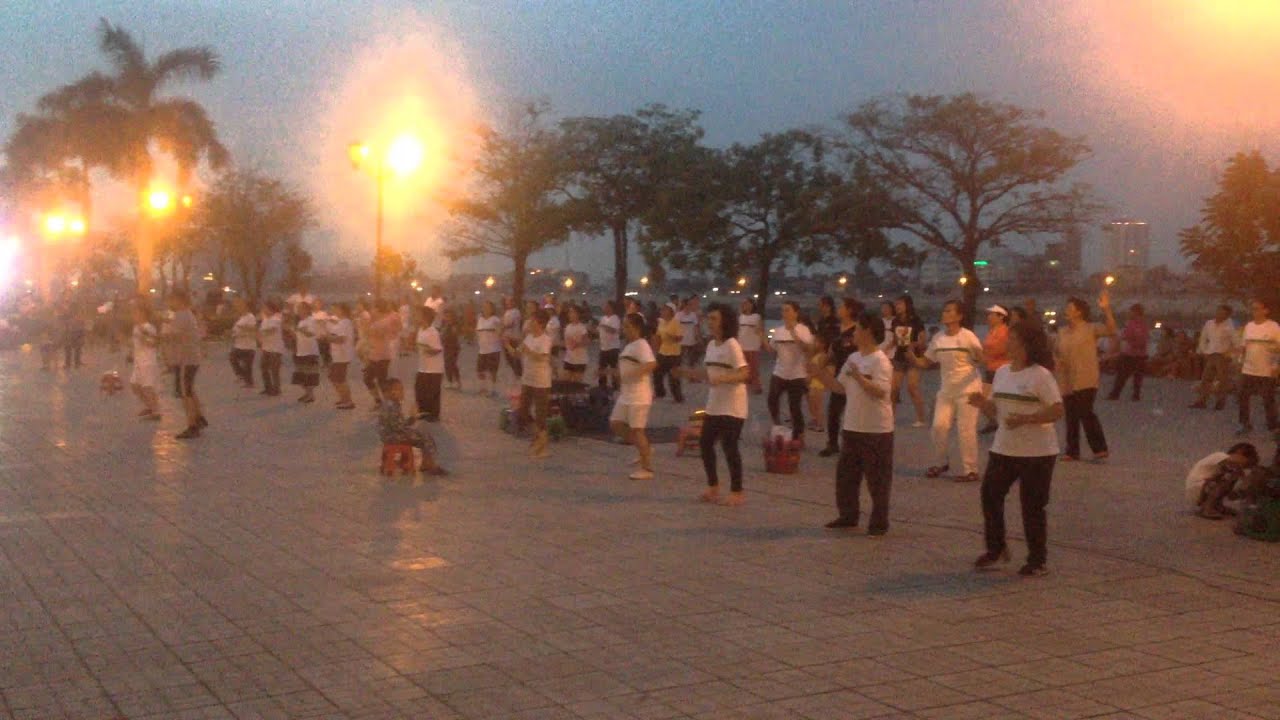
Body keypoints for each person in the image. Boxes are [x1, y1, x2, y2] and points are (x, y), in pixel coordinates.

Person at [968, 321, 1064, 577]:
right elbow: (997, 413)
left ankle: (1037, 559)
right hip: (1004, 448)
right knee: (990, 495)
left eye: (1011, 339)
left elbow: (1057, 410)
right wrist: (981, 404)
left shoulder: (1040, 375)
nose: (1006, 343)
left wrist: (1026, 419)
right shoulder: (1002, 373)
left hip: (1038, 453)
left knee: (1032, 506)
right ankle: (996, 549)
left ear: (1025, 345)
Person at [811, 311, 894, 535]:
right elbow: (840, 388)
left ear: (867, 331)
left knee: (877, 480)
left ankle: (878, 524)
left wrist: (859, 378)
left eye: (857, 329)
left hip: (876, 430)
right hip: (852, 427)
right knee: (846, 476)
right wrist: (818, 373)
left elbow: (881, 392)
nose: (853, 333)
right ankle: (848, 516)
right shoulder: (853, 358)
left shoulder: (881, 361)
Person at [677, 303, 750, 506]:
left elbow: (744, 373)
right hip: (714, 403)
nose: (710, 323)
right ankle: (713, 486)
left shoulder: (732, 345)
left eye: (714, 319)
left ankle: (737, 491)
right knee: (705, 444)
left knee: (729, 447)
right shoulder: (711, 345)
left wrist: (724, 379)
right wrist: (687, 373)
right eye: (708, 319)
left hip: (733, 405)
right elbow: (710, 374)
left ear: (725, 321)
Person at [906, 300, 985, 482]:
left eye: (949, 311)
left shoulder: (968, 336)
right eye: (944, 310)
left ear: (959, 316)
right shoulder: (939, 338)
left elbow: (981, 359)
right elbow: (926, 363)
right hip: (947, 390)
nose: (944, 313)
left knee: (966, 429)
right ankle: (941, 462)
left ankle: (970, 469)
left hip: (969, 389)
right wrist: (911, 357)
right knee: (939, 426)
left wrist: (980, 355)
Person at [1054, 291, 1117, 461]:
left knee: (1086, 412)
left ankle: (1099, 448)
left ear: (1079, 312)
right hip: (1067, 379)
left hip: (1086, 377)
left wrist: (1106, 309)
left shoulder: (1090, 328)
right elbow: (1057, 351)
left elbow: (1111, 330)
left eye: (1070, 308)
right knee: (1071, 416)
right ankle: (1072, 450)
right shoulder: (1062, 331)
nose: (1066, 310)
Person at [611, 313, 658, 480]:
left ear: (636, 328)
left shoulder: (641, 344)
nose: (624, 329)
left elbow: (651, 364)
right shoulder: (629, 346)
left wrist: (633, 374)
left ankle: (647, 468)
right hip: (626, 393)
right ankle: (643, 448)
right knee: (616, 423)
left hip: (639, 394)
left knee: (637, 429)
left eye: (627, 326)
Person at [764, 301, 814, 441]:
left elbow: (807, 349)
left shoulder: (803, 329)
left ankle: (798, 435)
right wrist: (761, 336)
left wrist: (793, 333)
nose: (784, 313)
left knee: (795, 406)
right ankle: (777, 425)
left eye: (787, 310)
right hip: (779, 372)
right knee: (772, 399)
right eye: (783, 310)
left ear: (796, 313)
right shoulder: (778, 331)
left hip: (797, 374)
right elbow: (771, 349)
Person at [378, 378, 447, 476]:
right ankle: (430, 465)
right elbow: (399, 427)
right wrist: (412, 417)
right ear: (389, 393)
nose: (402, 392)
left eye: (402, 389)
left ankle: (427, 463)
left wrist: (412, 419)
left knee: (421, 434)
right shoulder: (391, 406)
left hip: (389, 435)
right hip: (393, 436)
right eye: (399, 390)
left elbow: (398, 425)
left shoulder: (389, 404)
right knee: (425, 437)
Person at [161, 290, 206, 439]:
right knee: (189, 389)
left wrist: (161, 336)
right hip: (192, 357)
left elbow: (175, 335)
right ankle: (199, 416)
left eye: (171, 300)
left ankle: (192, 425)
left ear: (179, 300)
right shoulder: (187, 314)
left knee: (185, 392)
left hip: (186, 359)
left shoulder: (181, 315)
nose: (169, 303)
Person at [820, 298, 860, 457]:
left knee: (853, 412)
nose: (838, 309)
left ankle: (853, 445)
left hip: (855, 376)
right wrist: (819, 367)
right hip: (839, 375)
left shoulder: (857, 330)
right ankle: (832, 443)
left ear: (850, 310)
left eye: (842, 307)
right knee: (834, 411)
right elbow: (831, 351)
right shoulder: (836, 329)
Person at [513, 308, 553, 459]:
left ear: (540, 323)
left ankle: (542, 445)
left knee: (540, 414)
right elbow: (517, 353)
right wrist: (507, 344)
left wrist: (527, 350)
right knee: (523, 411)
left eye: (533, 320)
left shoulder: (545, 339)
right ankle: (539, 438)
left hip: (541, 381)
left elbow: (541, 357)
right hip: (527, 379)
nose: (529, 322)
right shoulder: (529, 337)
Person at [1237, 298, 1280, 434]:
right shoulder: (1249, 326)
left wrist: (1276, 366)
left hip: (1266, 370)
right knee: (1242, 396)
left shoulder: (1273, 327)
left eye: (1257, 308)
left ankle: (1272, 426)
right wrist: (1240, 362)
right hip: (1248, 369)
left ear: (1265, 310)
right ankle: (1245, 424)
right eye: (1253, 309)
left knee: (1268, 398)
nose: (1254, 311)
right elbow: (1243, 346)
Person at [1185, 443, 1260, 519]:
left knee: (1231, 478)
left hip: (1201, 488)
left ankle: (1217, 505)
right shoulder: (1220, 456)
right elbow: (1237, 462)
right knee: (1225, 480)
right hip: (1196, 488)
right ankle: (1208, 508)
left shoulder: (1227, 465)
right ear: (1239, 454)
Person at [889, 295, 928, 427]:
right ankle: (890, 417)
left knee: (912, 387)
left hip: (913, 357)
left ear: (907, 305)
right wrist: (884, 350)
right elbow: (895, 341)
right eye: (896, 304)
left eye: (900, 304)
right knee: (893, 389)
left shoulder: (916, 320)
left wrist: (913, 345)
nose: (897, 306)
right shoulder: (895, 321)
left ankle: (921, 418)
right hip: (899, 357)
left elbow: (923, 341)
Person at [1108, 303, 1150, 401]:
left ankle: (1115, 394)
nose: (1129, 313)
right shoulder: (1144, 324)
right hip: (1141, 354)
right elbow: (1144, 338)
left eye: (1131, 312)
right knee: (1138, 377)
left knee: (1122, 375)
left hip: (1130, 353)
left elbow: (1126, 336)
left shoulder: (1131, 324)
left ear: (1135, 312)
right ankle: (1136, 395)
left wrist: (1123, 338)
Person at [979, 305, 1011, 435]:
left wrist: (984, 353)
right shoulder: (992, 331)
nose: (989, 317)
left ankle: (1000, 423)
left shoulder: (1005, 331)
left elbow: (1001, 349)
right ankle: (994, 421)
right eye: (989, 314)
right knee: (985, 398)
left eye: (992, 314)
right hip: (990, 369)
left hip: (1001, 370)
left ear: (1001, 317)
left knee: (995, 398)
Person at [129, 302, 162, 421]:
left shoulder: (148, 327)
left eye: (136, 313)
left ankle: (156, 411)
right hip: (139, 361)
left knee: (148, 387)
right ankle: (150, 406)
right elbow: (135, 343)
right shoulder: (137, 327)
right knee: (135, 385)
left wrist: (143, 338)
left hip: (148, 361)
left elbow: (154, 343)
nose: (134, 315)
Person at [414, 306, 444, 422]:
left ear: (425, 317)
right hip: (423, 366)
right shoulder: (421, 330)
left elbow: (437, 350)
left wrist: (425, 348)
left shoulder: (433, 332)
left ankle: (433, 414)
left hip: (434, 368)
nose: (416, 317)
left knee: (432, 392)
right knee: (420, 389)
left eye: (418, 314)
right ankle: (423, 411)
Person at [325, 303, 356, 410]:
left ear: (342, 310)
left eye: (336, 308)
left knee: (339, 379)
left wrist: (328, 338)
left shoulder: (344, 323)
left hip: (342, 355)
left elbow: (341, 339)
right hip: (338, 355)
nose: (333, 310)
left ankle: (348, 401)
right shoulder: (342, 322)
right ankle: (343, 398)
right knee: (334, 377)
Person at [654, 303, 684, 404]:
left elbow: (680, 338)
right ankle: (660, 393)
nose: (662, 312)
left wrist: (671, 336)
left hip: (674, 354)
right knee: (657, 373)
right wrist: (656, 349)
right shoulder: (661, 322)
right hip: (663, 352)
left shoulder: (675, 322)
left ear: (671, 312)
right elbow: (658, 336)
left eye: (665, 310)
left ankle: (678, 397)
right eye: (662, 310)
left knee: (673, 377)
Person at [292, 303, 321, 404]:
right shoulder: (301, 322)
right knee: (301, 376)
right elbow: (298, 336)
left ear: (307, 310)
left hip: (310, 351)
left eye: (300, 309)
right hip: (301, 351)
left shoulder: (311, 320)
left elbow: (310, 334)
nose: (298, 311)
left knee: (309, 375)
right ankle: (307, 393)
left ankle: (310, 395)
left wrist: (300, 330)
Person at [475, 300, 502, 396]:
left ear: (492, 309)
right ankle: (483, 387)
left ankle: (492, 389)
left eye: (488, 307)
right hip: (482, 349)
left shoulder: (495, 319)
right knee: (480, 370)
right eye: (484, 307)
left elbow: (500, 331)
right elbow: (477, 331)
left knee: (492, 371)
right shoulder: (480, 319)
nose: (485, 309)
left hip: (493, 349)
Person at [229, 297, 257, 389]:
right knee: (233, 358)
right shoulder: (241, 317)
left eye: (241, 306)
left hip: (248, 345)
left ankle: (249, 381)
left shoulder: (250, 317)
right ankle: (242, 376)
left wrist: (242, 329)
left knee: (247, 365)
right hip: (239, 344)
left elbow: (252, 329)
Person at [805, 332, 830, 434]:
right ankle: (815, 420)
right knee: (812, 404)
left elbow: (820, 370)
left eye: (816, 342)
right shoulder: (816, 355)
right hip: (813, 383)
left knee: (817, 405)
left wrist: (811, 376)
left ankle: (820, 424)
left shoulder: (823, 356)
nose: (814, 344)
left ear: (823, 344)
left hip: (818, 384)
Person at [258, 300, 284, 396]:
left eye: (265, 308)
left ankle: (276, 389)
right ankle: (268, 387)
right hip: (266, 348)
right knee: (264, 368)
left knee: (274, 370)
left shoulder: (276, 319)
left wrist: (261, 333)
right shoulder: (265, 320)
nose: (263, 310)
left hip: (276, 349)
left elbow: (272, 330)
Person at [738, 298, 764, 394]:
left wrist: (762, 342)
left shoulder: (756, 317)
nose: (746, 305)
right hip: (742, 345)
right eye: (744, 304)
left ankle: (756, 386)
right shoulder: (740, 317)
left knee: (754, 368)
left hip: (753, 346)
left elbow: (760, 330)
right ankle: (744, 384)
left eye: (748, 303)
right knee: (743, 367)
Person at [596, 301, 622, 392]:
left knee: (613, 367)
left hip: (613, 347)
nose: (604, 308)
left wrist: (604, 326)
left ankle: (616, 386)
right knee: (601, 367)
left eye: (606, 306)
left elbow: (614, 330)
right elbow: (598, 330)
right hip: (603, 347)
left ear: (611, 308)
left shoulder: (615, 318)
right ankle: (602, 386)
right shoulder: (602, 318)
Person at [562, 305, 589, 383]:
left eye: (572, 312)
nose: (569, 314)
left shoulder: (582, 327)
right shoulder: (568, 327)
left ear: (578, 314)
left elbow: (586, 341)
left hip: (579, 360)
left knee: (577, 383)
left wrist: (576, 344)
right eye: (569, 312)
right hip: (568, 358)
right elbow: (566, 342)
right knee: (565, 381)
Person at [677, 296, 703, 370]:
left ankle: (691, 374)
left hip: (691, 340)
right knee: (679, 359)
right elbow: (676, 327)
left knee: (692, 359)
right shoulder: (678, 315)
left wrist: (698, 337)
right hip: (681, 340)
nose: (689, 306)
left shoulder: (693, 315)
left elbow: (696, 327)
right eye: (688, 304)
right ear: (684, 305)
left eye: (690, 305)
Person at [501, 297, 523, 378]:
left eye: (509, 302)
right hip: (506, 337)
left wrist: (502, 328)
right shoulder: (507, 312)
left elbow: (511, 323)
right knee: (508, 357)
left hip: (514, 337)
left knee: (514, 355)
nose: (508, 304)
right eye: (507, 302)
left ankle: (519, 372)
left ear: (513, 303)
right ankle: (516, 371)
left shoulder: (516, 312)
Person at [442, 308, 462, 391]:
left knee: (452, 364)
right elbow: (442, 335)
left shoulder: (455, 325)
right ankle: (450, 381)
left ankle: (457, 381)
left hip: (453, 347)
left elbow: (456, 334)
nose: (447, 318)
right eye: (446, 316)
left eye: (449, 316)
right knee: (447, 365)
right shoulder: (444, 324)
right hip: (446, 346)